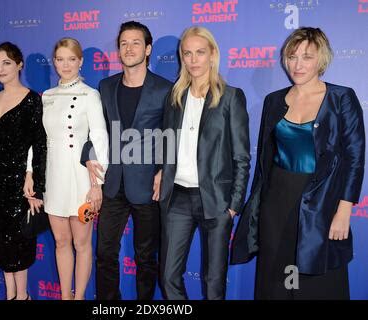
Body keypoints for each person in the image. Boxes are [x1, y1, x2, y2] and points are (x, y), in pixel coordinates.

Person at [231, 27, 365, 300]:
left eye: (307, 56)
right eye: (292, 56)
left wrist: (344, 210)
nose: (298, 64)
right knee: (276, 278)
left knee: (317, 282)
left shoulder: (342, 98)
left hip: (322, 203)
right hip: (276, 202)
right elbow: (265, 164)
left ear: (321, 59)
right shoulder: (274, 100)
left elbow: (355, 158)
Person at [81, 21, 172, 300]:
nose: (129, 48)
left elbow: (171, 134)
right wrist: (88, 156)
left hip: (147, 186)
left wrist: (163, 171)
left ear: (147, 49)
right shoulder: (106, 86)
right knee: (105, 252)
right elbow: (97, 130)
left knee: (146, 257)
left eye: (135, 43)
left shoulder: (165, 88)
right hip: (113, 183)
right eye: (123, 43)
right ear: (118, 51)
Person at [158, 26, 250, 300]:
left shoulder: (230, 97)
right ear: (182, 57)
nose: (193, 59)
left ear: (212, 54)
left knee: (213, 281)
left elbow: (242, 156)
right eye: (187, 53)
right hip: (177, 198)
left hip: (216, 200)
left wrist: (234, 205)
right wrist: (162, 171)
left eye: (200, 52)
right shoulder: (175, 96)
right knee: (168, 277)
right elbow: (168, 145)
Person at [25, 38, 108, 300]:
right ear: (54, 62)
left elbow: (100, 138)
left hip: (82, 179)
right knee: (61, 242)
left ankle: (79, 296)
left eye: (71, 59)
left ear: (80, 61)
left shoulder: (90, 95)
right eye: (60, 59)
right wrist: (30, 172)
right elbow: (36, 140)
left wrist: (97, 185)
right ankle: (65, 296)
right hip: (53, 177)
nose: (66, 65)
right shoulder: (47, 96)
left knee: (82, 244)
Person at [0, 42, 47, 300]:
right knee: (1, 246)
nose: (1, 69)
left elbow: (39, 146)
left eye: (7, 62)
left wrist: (34, 182)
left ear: (19, 64)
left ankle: (23, 297)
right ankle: (11, 296)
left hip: (21, 186)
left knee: (19, 245)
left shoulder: (32, 100)